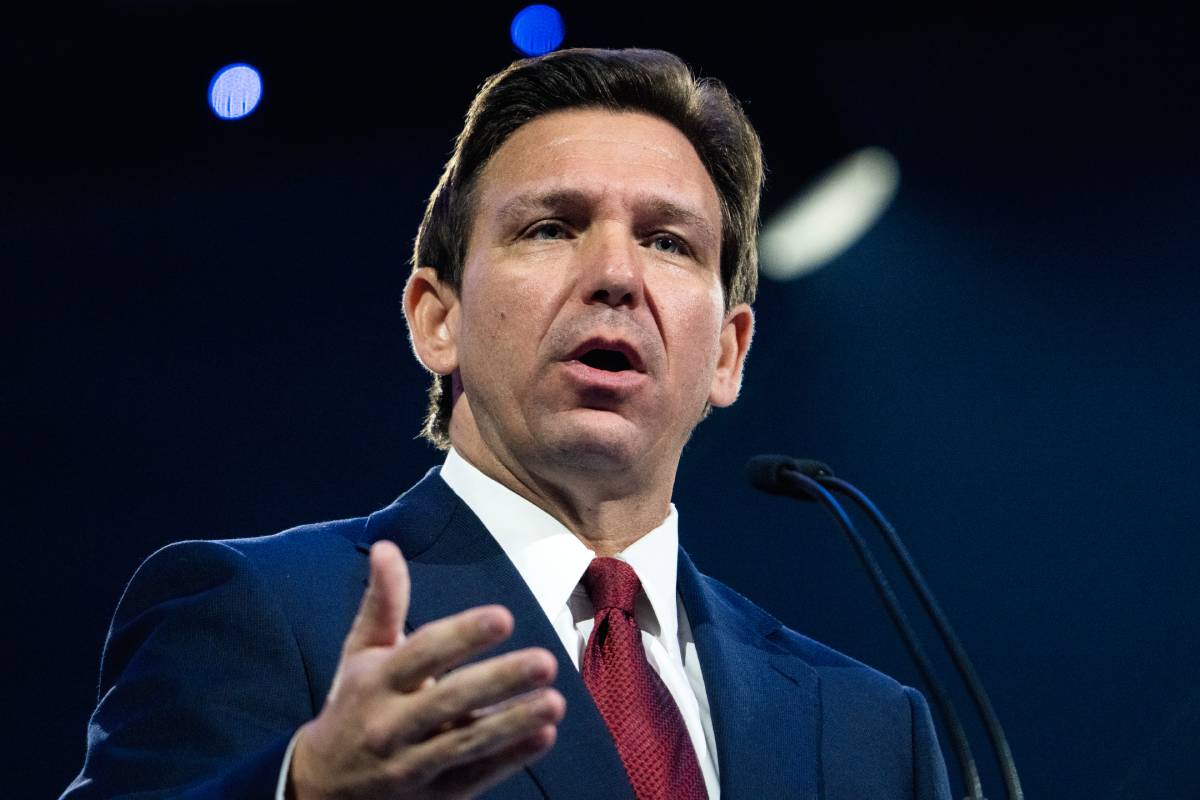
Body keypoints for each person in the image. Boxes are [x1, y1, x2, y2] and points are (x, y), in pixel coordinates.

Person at [63, 48, 951, 800]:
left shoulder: (871, 729)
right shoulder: (256, 613)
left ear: (728, 352)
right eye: (551, 228)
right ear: (434, 319)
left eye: (669, 242)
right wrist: (302, 789)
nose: (615, 274)